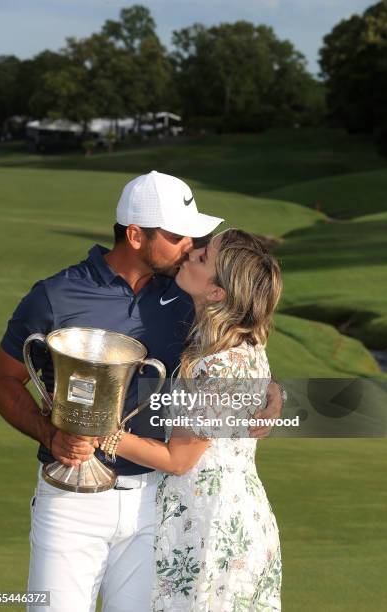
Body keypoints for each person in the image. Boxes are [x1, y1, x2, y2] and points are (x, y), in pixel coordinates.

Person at [0, 171, 283, 612]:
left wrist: (270, 393)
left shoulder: (189, 297)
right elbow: (1, 383)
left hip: (156, 502)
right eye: (178, 234)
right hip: (71, 502)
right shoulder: (55, 296)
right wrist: (51, 435)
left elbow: (236, 344)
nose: (191, 247)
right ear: (136, 235)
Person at [101, 228, 283, 611]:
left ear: (216, 292)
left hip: (214, 531)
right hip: (217, 520)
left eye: (203, 259)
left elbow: (178, 459)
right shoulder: (238, 342)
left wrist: (100, 431)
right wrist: (275, 391)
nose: (191, 253)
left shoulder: (218, 363)